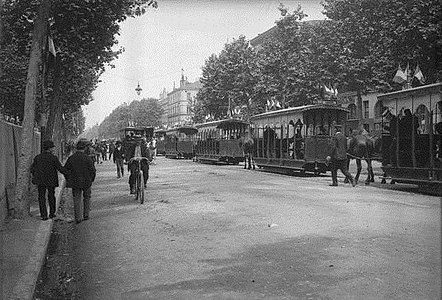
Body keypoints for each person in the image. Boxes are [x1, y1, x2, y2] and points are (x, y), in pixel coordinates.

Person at [31, 140, 67, 220]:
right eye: (52, 147)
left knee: (41, 196)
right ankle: (52, 213)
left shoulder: (38, 157)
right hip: (51, 180)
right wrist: (68, 173)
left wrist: (35, 175)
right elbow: (60, 168)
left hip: (41, 180)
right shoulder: (53, 158)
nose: (53, 149)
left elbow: (32, 168)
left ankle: (44, 215)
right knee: (51, 195)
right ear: (50, 148)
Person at [65, 139, 96, 224]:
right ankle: (86, 215)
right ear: (85, 148)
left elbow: (65, 170)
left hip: (75, 182)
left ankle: (78, 218)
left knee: (77, 199)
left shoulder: (71, 158)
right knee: (87, 197)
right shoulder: (88, 158)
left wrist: (69, 179)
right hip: (86, 182)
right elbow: (93, 171)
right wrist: (91, 179)